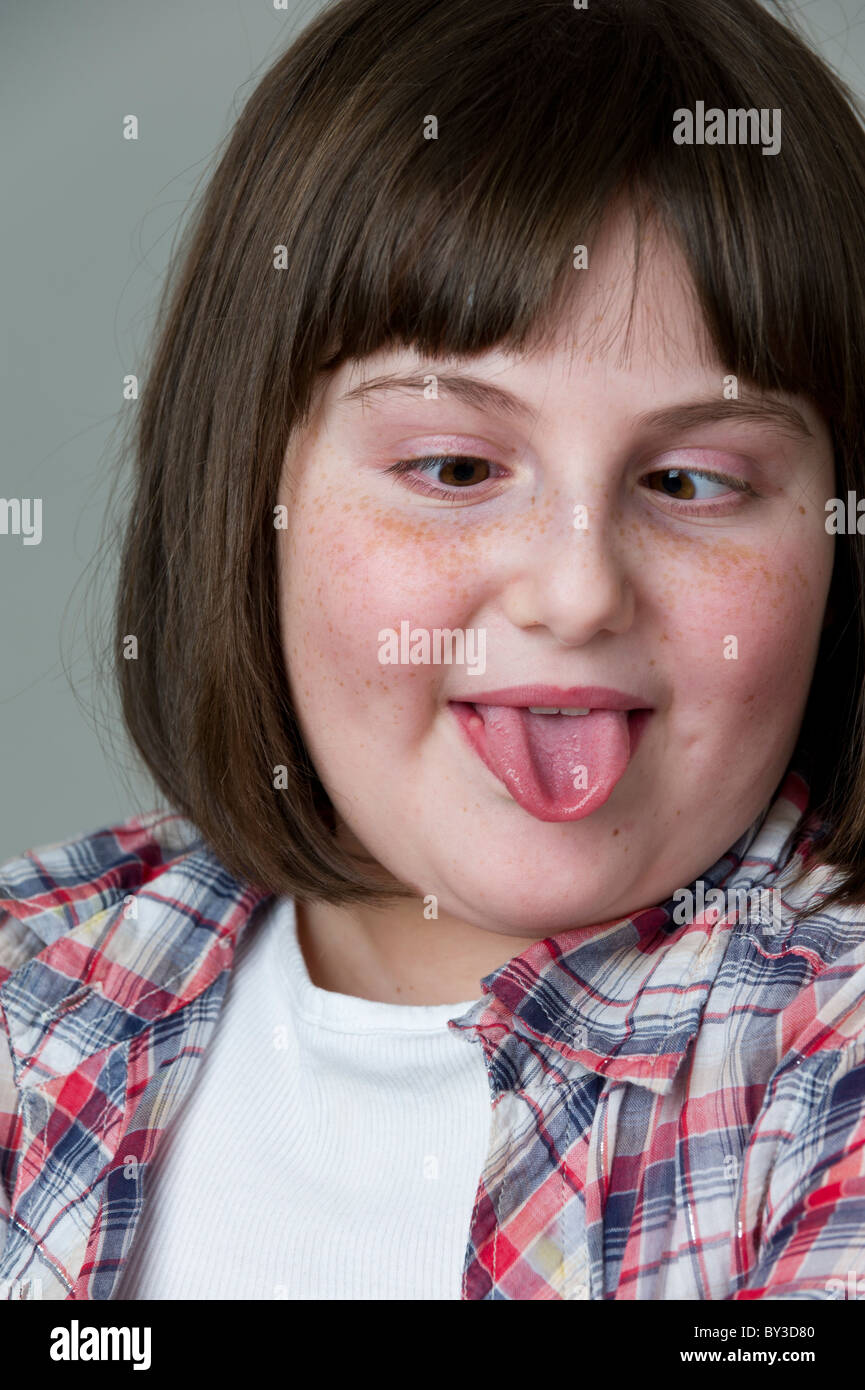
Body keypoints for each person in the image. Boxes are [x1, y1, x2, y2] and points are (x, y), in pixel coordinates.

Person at [3, 0, 865, 1301]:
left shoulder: (828, 1070)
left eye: (690, 481)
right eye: (454, 465)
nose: (574, 591)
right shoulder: (34, 992)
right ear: (251, 496)